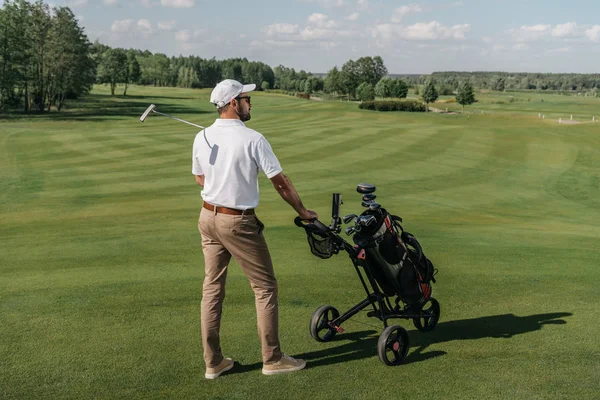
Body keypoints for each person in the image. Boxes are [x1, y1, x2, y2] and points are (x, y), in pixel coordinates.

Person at [192, 79, 318, 379]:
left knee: (212, 290)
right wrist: (303, 212)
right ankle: (272, 359)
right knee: (265, 288)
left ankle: (214, 363)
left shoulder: (202, 137)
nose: (251, 103)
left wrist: (223, 178)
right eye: (246, 99)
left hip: (207, 217)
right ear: (233, 104)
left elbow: (200, 180)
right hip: (238, 222)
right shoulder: (253, 139)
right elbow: (280, 182)